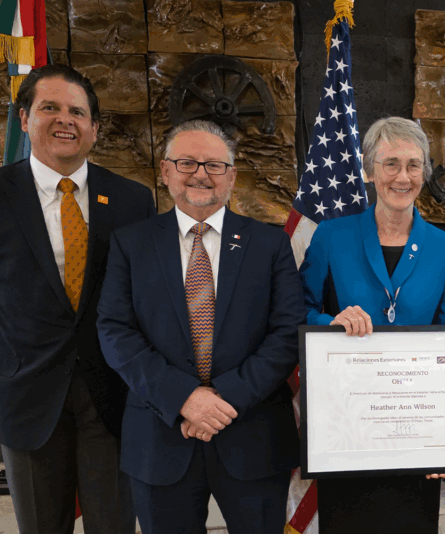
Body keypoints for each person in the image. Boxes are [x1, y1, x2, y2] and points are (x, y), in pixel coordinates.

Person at [0, 64, 155, 533]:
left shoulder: (133, 200)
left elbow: (142, 295)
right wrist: (12, 344)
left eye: (77, 111)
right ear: (24, 117)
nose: (65, 120)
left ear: (94, 128)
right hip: (25, 395)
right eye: (50, 107)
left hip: (112, 396)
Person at [95, 120, 305, 534]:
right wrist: (184, 399)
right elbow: (115, 331)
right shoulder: (130, 243)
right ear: (165, 170)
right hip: (160, 437)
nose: (200, 174)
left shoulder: (270, 244)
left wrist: (220, 401)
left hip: (253, 437)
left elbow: (287, 333)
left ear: (232, 175)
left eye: (214, 165)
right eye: (187, 162)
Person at [299, 116, 445, 533]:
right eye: (390, 163)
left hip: (417, 430)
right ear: (369, 170)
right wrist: (330, 322)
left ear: (425, 173)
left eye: (413, 165)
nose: (402, 177)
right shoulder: (331, 237)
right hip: (346, 425)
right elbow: (296, 310)